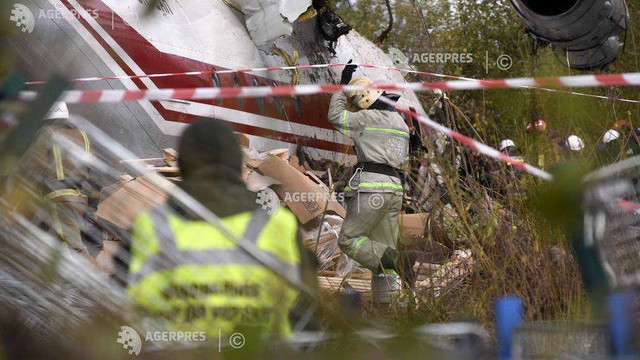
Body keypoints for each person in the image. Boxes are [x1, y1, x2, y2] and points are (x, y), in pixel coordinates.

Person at [125, 120, 310, 339]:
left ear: (182, 165)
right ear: (237, 164)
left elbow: (123, 313)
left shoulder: (152, 225)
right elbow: (307, 315)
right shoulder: (279, 227)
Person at [327, 62, 416, 299]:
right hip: (394, 190)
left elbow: (335, 117)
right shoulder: (400, 124)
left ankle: (396, 259)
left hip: (371, 188)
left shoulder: (367, 118)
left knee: (349, 239)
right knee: (382, 254)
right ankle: (387, 308)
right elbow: (402, 158)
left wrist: (341, 87)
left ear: (363, 101)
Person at [17, 102, 98, 266]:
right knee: (53, 245)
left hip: (59, 198)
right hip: (80, 197)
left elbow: (31, 167)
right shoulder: (81, 135)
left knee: (73, 249)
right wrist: (92, 205)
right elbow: (95, 173)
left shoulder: (46, 133)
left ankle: (93, 286)